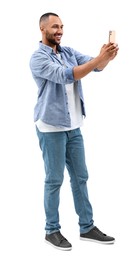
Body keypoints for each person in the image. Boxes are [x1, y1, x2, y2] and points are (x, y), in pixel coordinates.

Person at [29, 12, 119, 251]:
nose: (59, 30)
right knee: (54, 180)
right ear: (42, 29)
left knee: (81, 177)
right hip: (51, 128)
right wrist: (98, 59)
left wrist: (106, 57)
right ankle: (51, 230)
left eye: (61, 26)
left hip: (74, 126)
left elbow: (95, 67)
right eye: (55, 27)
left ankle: (87, 227)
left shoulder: (68, 52)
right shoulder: (38, 58)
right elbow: (67, 75)